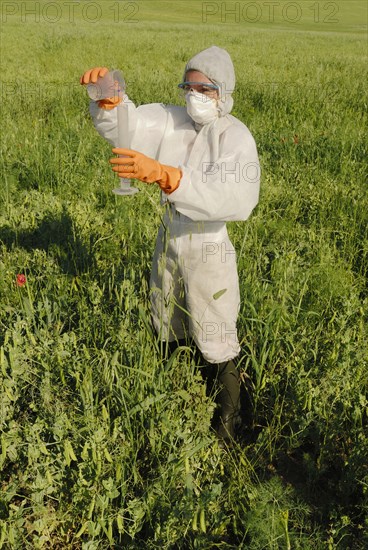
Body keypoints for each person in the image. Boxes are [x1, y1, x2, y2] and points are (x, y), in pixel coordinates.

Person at [80, 46, 260, 443]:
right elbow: (131, 127)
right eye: (189, 86)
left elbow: (237, 199)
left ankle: (228, 422)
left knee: (214, 333)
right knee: (167, 317)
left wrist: (170, 177)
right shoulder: (173, 120)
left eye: (205, 88)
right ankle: (177, 393)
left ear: (223, 92)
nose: (195, 95)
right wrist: (109, 99)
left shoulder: (235, 137)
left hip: (209, 248)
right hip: (170, 237)